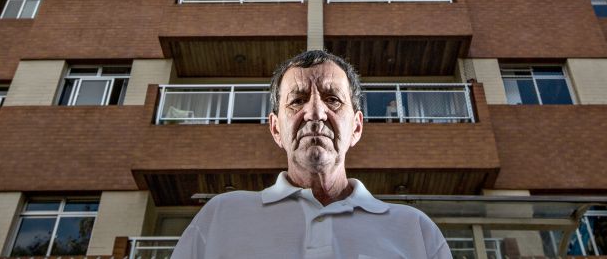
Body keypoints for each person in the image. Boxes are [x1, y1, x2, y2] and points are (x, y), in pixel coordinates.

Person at [171, 50, 452, 259]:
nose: (315, 113)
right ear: (276, 129)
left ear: (356, 127)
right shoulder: (221, 217)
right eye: (297, 100)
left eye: (333, 99)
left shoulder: (416, 229)